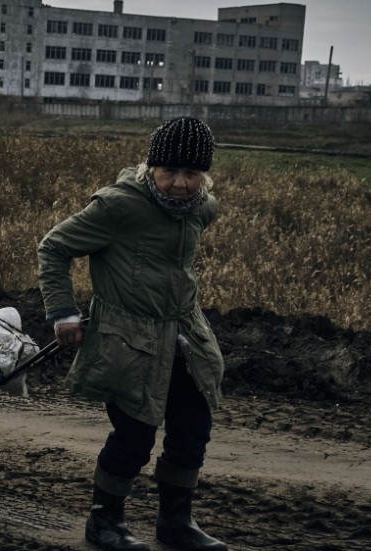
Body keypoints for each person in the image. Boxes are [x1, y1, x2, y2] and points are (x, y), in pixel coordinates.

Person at [37, 117, 227, 551]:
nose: (180, 184)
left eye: (191, 174)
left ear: (204, 175)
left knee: (192, 429)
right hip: (128, 342)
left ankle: (176, 523)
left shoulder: (203, 207)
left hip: (185, 337)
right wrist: (63, 312)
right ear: (150, 166)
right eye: (169, 172)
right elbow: (54, 247)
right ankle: (104, 522)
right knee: (134, 436)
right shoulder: (119, 206)